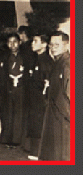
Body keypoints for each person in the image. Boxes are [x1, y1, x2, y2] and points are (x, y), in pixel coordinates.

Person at [38, 31, 70, 161]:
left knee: (63, 154)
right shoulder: (57, 62)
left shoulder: (67, 64)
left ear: (66, 45)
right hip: (55, 115)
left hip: (63, 117)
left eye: (56, 45)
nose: (52, 48)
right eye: (51, 45)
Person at [0, 33, 30, 147]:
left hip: (21, 88)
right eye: (9, 42)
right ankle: (7, 138)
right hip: (8, 88)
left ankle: (18, 139)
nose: (12, 45)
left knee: (19, 113)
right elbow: (1, 74)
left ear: (19, 42)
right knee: (8, 113)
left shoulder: (25, 56)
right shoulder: (4, 57)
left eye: (15, 42)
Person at [27, 33, 53, 160]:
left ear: (44, 44)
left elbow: (47, 82)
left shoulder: (46, 61)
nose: (32, 43)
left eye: (36, 41)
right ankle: (35, 151)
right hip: (34, 99)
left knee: (39, 124)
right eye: (32, 41)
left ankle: (39, 152)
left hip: (40, 100)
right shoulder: (36, 59)